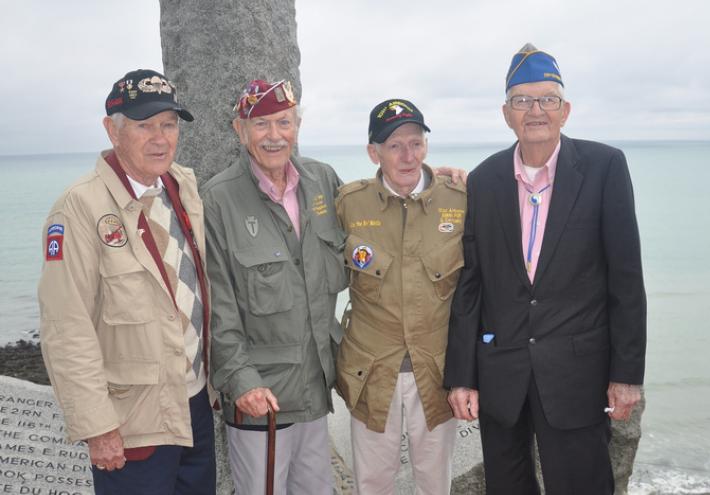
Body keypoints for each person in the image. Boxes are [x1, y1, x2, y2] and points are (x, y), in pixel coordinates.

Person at [444, 43, 647, 495]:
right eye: (522, 100)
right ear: (506, 113)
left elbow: (626, 279)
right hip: (502, 378)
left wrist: (627, 375)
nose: (535, 110)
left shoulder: (604, 167)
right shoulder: (483, 180)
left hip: (576, 376)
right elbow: (470, 284)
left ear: (565, 110)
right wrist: (461, 375)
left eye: (547, 100)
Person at [38, 69, 216, 494]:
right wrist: (98, 427)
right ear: (112, 131)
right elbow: (66, 327)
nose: (160, 138)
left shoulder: (182, 187)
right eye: (144, 125)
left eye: (169, 124)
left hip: (194, 403)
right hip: (132, 422)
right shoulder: (79, 207)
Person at [201, 79, 346, 494]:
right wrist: (242, 381)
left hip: (316, 388)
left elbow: (374, 218)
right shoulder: (219, 200)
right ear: (239, 131)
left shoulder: (323, 181)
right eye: (261, 124)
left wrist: (430, 180)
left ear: (296, 126)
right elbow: (217, 305)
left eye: (283, 122)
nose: (274, 135)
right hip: (261, 396)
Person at [335, 99, 466, 494]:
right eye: (395, 146)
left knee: (434, 483)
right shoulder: (348, 204)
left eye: (416, 142)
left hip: (437, 374)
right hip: (372, 375)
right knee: (373, 485)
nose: (408, 156)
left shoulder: (460, 200)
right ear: (373, 153)